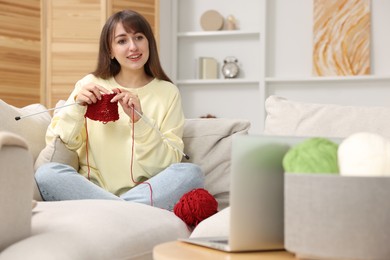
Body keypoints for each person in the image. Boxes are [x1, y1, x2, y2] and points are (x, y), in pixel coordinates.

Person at [35, 9, 204, 210]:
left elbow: (166, 163)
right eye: (122, 41)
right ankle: (126, 210)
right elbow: (57, 141)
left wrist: (139, 121)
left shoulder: (168, 92)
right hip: (91, 189)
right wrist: (77, 109)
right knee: (46, 174)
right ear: (110, 50)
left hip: (145, 190)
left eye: (139, 38)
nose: (133, 47)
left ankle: (113, 209)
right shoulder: (89, 84)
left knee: (192, 173)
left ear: (149, 42)